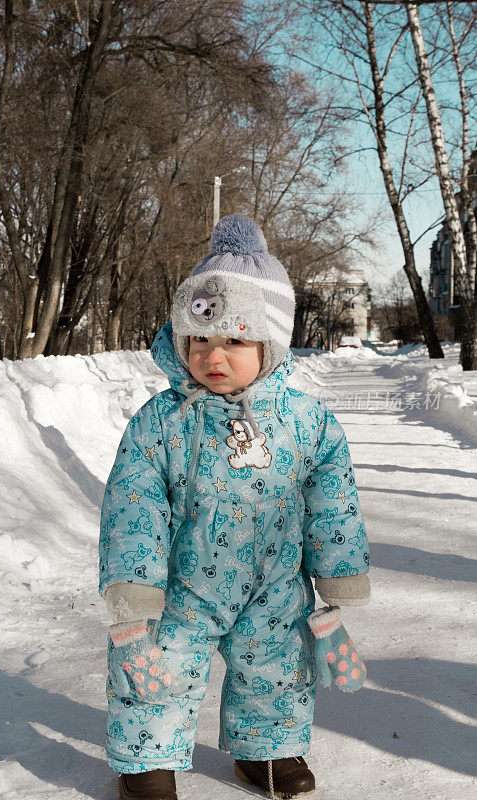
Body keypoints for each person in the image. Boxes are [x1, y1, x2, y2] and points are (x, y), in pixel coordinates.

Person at [99, 214, 371, 800]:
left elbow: (333, 501)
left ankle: (266, 751)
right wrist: (136, 587)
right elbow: (133, 506)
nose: (212, 355)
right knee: (160, 670)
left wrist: (339, 571)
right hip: (183, 585)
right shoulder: (162, 421)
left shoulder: (308, 423)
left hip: (276, 581)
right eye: (199, 339)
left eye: (234, 340)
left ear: (269, 344)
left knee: (275, 668)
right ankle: (146, 762)